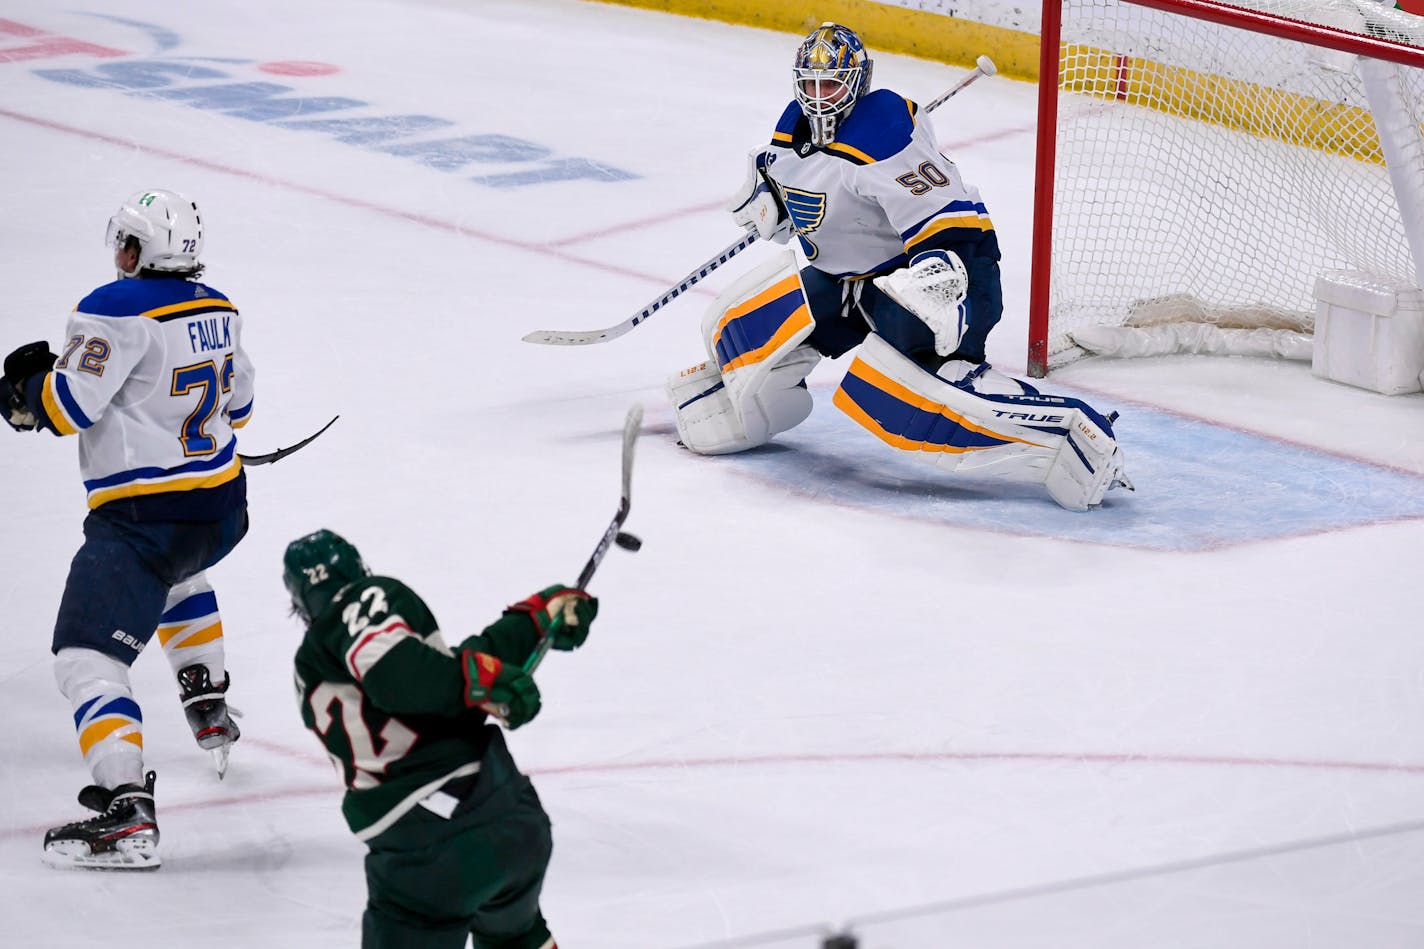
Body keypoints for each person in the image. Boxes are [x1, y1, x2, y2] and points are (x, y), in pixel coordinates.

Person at [666, 23, 1131, 510]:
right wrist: (778, 203)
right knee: (751, 325)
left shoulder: (885, 132)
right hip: (854, 277)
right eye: (811, 84)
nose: (820, 97)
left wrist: (935, 277)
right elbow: (817, 196)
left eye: (831, 84)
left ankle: (1071, 438)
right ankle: (737, 409)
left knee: (903, 397)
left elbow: (943, 215)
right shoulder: (792, 133)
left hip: (945, 275)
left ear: (857, 81)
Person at [0, 188, 252, 870]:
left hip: (147, 520)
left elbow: (68, 406)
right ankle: (206, 693)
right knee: (178, 570)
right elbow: (245, 404)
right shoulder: (219, 306)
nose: (118, 255)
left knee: (86, 658)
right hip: (223, 509)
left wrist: (24, 394)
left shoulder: (111, 307)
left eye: (125, 243)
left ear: (139, 250)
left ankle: (125, 811)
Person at [284, 528, 597, 949]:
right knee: (518, 938)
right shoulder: (366, 637)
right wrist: (522, 635)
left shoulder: (325, 650)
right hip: (511, 819)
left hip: (425, 848)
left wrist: (525, 627)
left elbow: (412, 676)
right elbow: (438, 680)